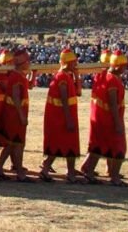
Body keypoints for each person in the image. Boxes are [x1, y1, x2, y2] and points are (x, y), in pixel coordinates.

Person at [82, 50, 128, 186]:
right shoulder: (112, 80)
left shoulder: (104, 76)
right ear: (117, 66)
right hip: (109, 119)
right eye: (123, 66)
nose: (125, 69)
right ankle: (114, 178)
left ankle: (89, 172)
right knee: (119, 147)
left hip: (101, 117)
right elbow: (113, 104)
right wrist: (118, 122)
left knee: (98, 145)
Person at [40, 49, 82, 183]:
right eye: (73, 62)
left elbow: (78, 93)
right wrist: (68, 118)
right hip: (61, 116)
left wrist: (76, 76)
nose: (75, 63)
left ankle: (69, 172)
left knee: (69, 143)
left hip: (67, 115)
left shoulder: (67, 75)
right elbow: (64, 98)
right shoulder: (61, 77)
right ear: (67, 63)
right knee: (60, 143)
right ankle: (47, 169)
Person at [0, 48, 33, 182]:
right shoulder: (16, 77)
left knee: (16, 143)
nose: (29, 63)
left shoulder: (18, 75)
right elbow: (16, 97)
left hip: (15, 113)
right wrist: (22, 116)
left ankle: (17, 171)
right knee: (13, 143)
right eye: (27, 61)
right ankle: (5, 169)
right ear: (22, 63)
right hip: (14, 114)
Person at [80, 49, 110, 176]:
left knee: (107, 141)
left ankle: (109, 169)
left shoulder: (101, 75)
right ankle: (87, 167)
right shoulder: (105, 77)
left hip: (99, 112)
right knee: (99, 142)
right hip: (102, 113)